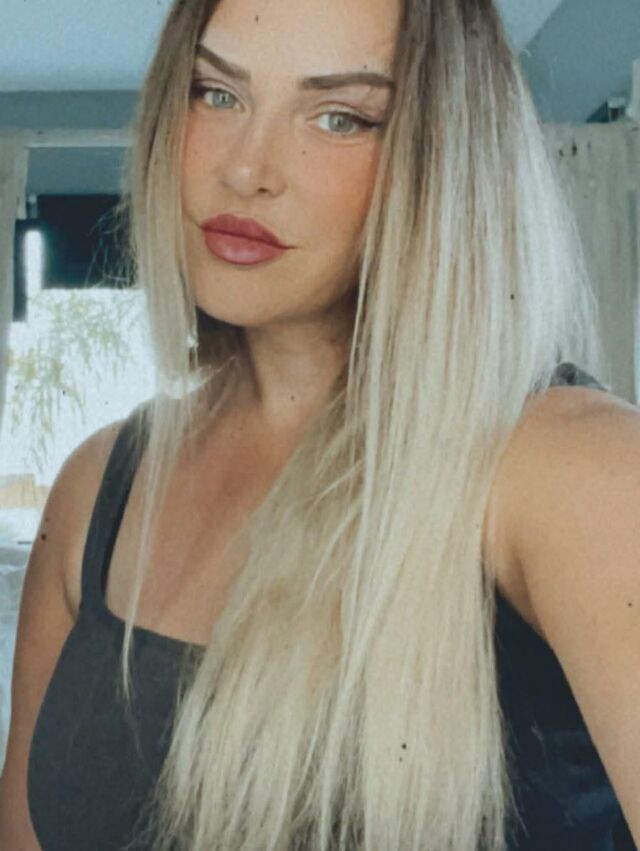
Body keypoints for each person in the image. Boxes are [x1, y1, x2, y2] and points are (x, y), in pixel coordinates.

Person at [0, 0, 638, 848]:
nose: (246, 169)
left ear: (446, 160)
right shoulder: (96, 489)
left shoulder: (569, 467)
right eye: (216, 94)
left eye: (341, 117)